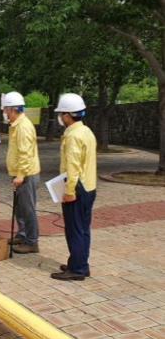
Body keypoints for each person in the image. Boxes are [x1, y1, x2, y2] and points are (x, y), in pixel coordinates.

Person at [51, 94, 97, 281]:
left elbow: (73, 166)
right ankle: (80, 264)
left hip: (77, 187)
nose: (60, 117)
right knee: (83, 229)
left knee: (74, 229)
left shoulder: (73, 136)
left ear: (68, 115)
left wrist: (69, 191)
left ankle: (77, 269)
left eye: (62, 114)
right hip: (89, 186)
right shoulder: (86, 131)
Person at [2, 92, 41, 253]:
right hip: (21, 173)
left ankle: (32, 242)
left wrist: (20, 175)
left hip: (26, 174)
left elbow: (25, 154)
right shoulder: (16, 125)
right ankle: (23, 234)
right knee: (19, 208)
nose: (4, 112)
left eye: (5, 109)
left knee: (27, 208)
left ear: (12, 109)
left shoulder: (23, 127)